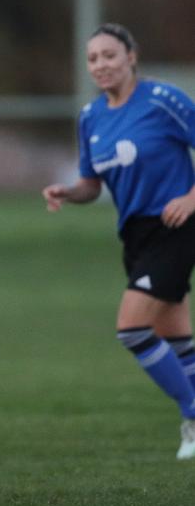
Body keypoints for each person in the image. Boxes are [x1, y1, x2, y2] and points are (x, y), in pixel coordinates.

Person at [43, 23, 195, 460]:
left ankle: (191, 409)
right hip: (136, 236)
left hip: (177, 226)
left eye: (109, 55)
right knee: (175, 336)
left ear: (132, 56)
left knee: (132, 329)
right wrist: (68, 192)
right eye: (92, 59)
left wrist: (190, 197)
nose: (101, 65)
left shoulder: (164, 101)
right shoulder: (91, 117)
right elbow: (92, 184)